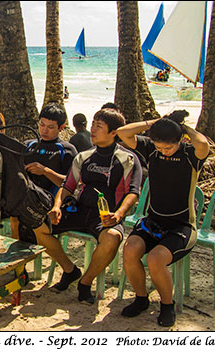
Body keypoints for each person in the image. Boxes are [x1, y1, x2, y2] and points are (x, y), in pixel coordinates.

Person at [33, 108, 143, 304]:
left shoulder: (128, 159)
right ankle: (70, 270)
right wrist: (57, 206)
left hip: (105, 215)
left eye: (98, 127)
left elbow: (133, 193)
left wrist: (118, 215)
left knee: (112, 238)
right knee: (38, 226)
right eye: (92, 124)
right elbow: (67, 187)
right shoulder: (84, 157)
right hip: (79, 209)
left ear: (113, 133)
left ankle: (85, 282)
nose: (92, 130)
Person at [116, 110, 209, 327]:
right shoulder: (151, 151)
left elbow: (203, 143)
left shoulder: (190, 155)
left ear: (180, 141)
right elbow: (123, 132)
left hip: (182, 226)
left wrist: (182, 127)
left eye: (168, 147)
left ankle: (167, 305)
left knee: (155, 259)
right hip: (153, 222)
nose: (163, 152)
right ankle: (141, 299)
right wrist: (157, 122)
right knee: (130, 250)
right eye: (159, 147)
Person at [11, 102, 78, 242]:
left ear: (61, 128)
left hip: (48, 203)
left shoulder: (66, 150)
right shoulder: (29, 145)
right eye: (42, 125)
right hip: (23, 199)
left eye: (50, 127)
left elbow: (70, 184)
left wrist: (46, 171)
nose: (44, 130)